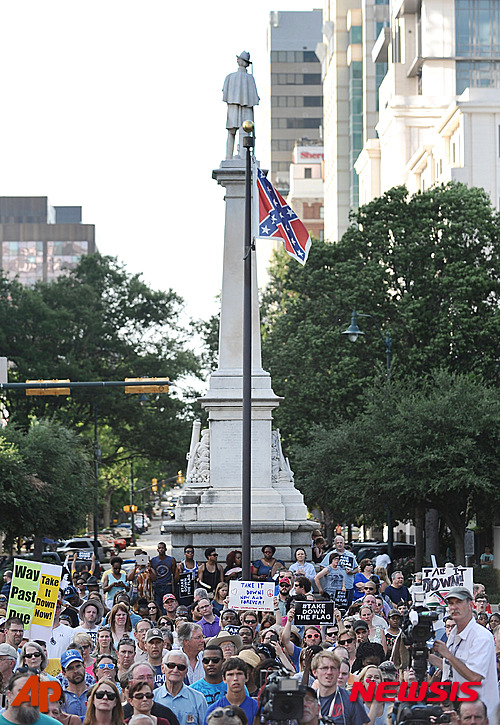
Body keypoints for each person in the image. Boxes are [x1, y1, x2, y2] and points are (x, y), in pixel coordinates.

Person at [431, 586, 499, 718]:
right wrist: (425, 654)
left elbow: (475, 677)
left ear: (470, 605)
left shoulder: (481, 636)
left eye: (459, 602)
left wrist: (448, 655)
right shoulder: (453, 634)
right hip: (458, 710)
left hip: (480, 715)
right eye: (451, 603)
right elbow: (450, 667)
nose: (454, 607)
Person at [311, 650, 369, 725]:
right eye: (324, 668)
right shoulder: (308, 700)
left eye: (333, 668)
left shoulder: (352, 699)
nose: (329, 672)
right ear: (315, 672)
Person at [153, 650, 207, 725]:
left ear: (186, 672)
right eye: (171, 665)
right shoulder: (153, 697)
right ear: (163, 668)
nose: (175, 670)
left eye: (181, 667)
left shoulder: (198, 699)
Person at [222, 52, 259, 160]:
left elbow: (225, 93)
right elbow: (255, 98)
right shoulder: (249, 78)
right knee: (245, 131)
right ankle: (241, 156)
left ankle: (229, 157)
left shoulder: (230, 77)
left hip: (234, 107)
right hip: (244, 107)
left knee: (232, 132)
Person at [203, 657, 258, 725]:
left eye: (239, 674)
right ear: (224, 679)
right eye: (230, 674)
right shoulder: (213, 710)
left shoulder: (257, 708)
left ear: (246, 677)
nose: (235, 678)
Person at [320, 536, 358, 605]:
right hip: (334, 588)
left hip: (348, 586)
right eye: (337, 543)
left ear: (344, 543)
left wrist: (351, 572)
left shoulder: (350, 555)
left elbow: (356, 568)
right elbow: (322, 566)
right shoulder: (330, 554)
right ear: (335, 544)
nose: (339, 544)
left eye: (341, 543)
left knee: (347, 607)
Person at [62, 649, 90, 720]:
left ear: (84, 666)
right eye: (70, 668)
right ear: (64, 673)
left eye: (78, 666)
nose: (76, 671)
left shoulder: (95, 692)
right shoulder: (60, 697)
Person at [150, 543, 177, 613]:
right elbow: (152, 574)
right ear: (157, 549)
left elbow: (174, 574)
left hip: (167, 585)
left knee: (167, 605)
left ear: (165, 549)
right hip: (157, 586)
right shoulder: (153, 560)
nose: (161, 549)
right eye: (159, 548)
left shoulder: (171, 560)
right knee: (157, 605)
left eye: (162, 548)